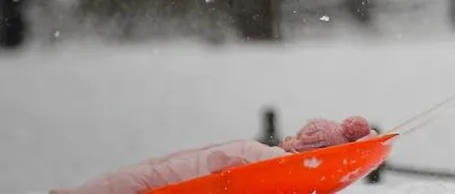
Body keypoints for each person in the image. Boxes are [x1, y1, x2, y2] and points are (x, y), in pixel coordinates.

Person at [50, 116, 375, 194]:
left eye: (301, 137)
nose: (292, 136)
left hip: (172, 173)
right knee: (135, 178)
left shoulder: (267, 160)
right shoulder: (269, 162)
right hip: (175, 172)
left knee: (134, 177)